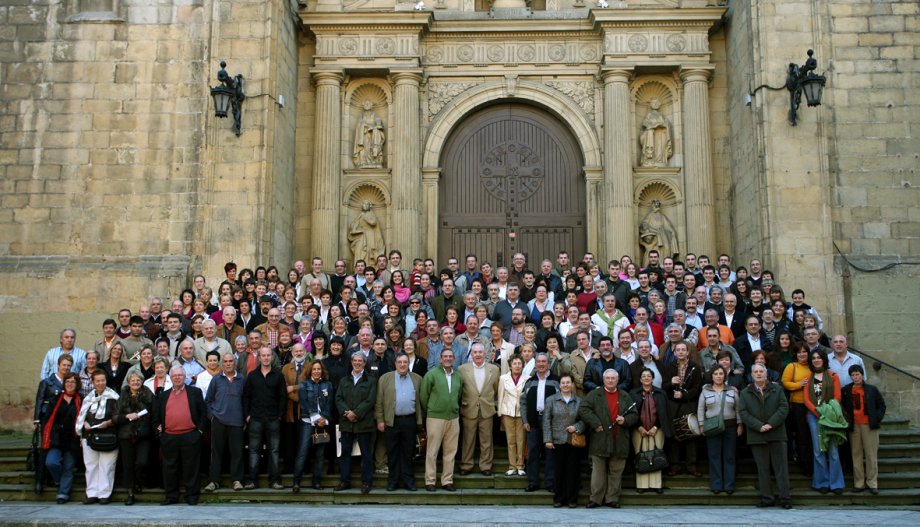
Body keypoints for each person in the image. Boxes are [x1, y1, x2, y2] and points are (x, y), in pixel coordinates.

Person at [578, 369, 638, 509]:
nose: (610, 380)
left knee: (616, 471)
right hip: (599, 438)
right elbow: (583, 409)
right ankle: (595, 499)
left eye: (613, 378)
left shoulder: (625, 395)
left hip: (620, 438)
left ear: (617, 380)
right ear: (603, 380)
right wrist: (595, 423)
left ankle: (612, 498)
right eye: (608, 378)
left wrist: (626, 420)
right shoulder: (594, 394)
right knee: (598, 472)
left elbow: (634, 414)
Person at [738, 363, 792, 509]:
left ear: (766, 373)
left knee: (781, 468)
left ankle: (785, 498)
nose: (759, 373)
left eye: (761, 371)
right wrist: (758, 426)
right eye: (755, 371)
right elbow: (743, 412)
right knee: (763, 469)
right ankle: (767, 498)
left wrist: (770, 424)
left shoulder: (777, 389)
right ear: (752, 374)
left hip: (777, 434)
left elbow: (784, 407)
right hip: (757, 435)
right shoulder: (745, 392)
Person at [154, 366, 207, 506]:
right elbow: (156, 415)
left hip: (190, 435)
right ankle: (171, 496)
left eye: (180, 375)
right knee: (169, 468)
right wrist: (160, 430)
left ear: (185, 377)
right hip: (169, 437)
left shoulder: (195, 392)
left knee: (191, 468)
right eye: (174, 375)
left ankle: (192, 496)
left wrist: (199, 431)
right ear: (170, 378)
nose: (177, 377)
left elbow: (203, 413)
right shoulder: (163, 395)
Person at [375, 353, 423, 491]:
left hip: (409, 420)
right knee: (392, 452)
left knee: (408, 453)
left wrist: (420, 421)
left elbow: (421, 401)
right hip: (391, 421)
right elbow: (379, 402)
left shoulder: (417, 379)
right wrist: (380, 420)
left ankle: (409, 481)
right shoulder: (385, 378)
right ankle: (393, 481)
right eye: (400, 362)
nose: (402, 365)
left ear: (409, 364)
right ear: (395, 364)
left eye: (405, 362)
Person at [243, 346, 287, 490]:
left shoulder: (278, 375)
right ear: (259, 357)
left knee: (274, 450)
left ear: (272, 357)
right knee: (254, 450)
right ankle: (252, 480)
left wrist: (280, 415)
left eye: (269, 355)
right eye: (264, 355)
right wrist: (247, 415)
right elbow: (246, 397)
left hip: (273, 418)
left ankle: (274, 480)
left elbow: (283, 397)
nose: (266, 357)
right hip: (255, 418)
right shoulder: (252, 375)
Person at [420, 348, 463, 492]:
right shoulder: (431, 375)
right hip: (435, 417)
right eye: (445, 356)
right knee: (432, 451)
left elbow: (459, 395)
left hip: (453, 418)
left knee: (451, 451)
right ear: (440, 359)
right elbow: (424, 397)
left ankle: (447, 480)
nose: (448, 358)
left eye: (451, 356)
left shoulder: (458, 376)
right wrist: (432, 410)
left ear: (454, 359)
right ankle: (430, 480)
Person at [803, 349, 845, 494]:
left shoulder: (833, 376)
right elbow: (807, 399)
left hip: (831, 416)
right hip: (815, 417)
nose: (816, 360)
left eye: (819, 357)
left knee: (833, 450)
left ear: (823, 360)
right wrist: (817, 412)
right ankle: (821, 482)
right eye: (813, 358)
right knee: (818, 450)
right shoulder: (809, 378)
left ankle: (836, 483)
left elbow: (837, 397)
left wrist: (826, 412)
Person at [335, 352, 378, 494]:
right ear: (352, 362)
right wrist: (347, 413)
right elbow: (338, 399)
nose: (357, 363)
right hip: (346, 423)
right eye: (355, 360)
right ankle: (345, 481)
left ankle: (366, 482)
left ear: (365, 363)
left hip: (364, 423)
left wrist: (356, 413)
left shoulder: (371, 380)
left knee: (366, 455)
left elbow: (370, 400)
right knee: (345, 454)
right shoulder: (344, 380)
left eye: (360, 361)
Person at [204, 353, 246, 492]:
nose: (228, 364)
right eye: (226, 361)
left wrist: (245, 417)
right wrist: (212, 417)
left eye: (231, 361)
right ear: (222, 363)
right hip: (219, 421)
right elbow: (208, 400)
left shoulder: (241, 379)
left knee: (237, 453)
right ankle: (214, 481)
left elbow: (246, 401)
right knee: (216, 452)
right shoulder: (216, 379)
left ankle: (237, 480)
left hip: (237, 422)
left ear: (234, 363)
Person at [841, 364, 886, 494]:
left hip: (869, 426)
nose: (856, 377)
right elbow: (842, 406)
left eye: (858, 374)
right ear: (850, 377)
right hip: (854, 426)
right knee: (856, 455)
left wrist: (876, 418)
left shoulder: (872, 389)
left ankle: (872, 483)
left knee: (871, 455)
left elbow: (881, 406)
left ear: (862, 375)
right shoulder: (846, 390)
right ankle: (859, 483)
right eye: (853, 375)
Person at [76, 369, 119, 504]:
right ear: (93, 382)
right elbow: (82, 416)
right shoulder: (88, 398)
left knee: (106, 466)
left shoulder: (114, 397)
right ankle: (91, 493)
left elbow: (118, 417)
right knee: (91, 466)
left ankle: (104, 494)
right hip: (90, 436)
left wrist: (108, 423)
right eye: (98, 381)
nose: (100, 383)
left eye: (103, 380)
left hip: (108, 435)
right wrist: (85, 423)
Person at [457, 343, 500, 476]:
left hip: (486, 409)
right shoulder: (462, 369)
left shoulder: (494, 369)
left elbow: (497, 389)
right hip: (468, 408)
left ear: (484, 353)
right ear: (471, 354)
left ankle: (486, 466)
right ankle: (466, 465)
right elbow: (459, 390)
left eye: (480, 352)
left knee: (486, 440)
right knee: (468, 440)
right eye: (475, 352)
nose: (478, 355)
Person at [543, 373, 585, 508]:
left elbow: (584, 420)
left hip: (573, 441)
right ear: (559, 385)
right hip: (557, 440)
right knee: (558, 471)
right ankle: (559, 498)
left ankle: (572, 499)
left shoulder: (579, 401)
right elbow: (546, 420)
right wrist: (548, 439)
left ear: (572, 384)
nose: (566, 385)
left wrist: (577, 427)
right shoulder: (551, 400)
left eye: (568, 382)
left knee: (573, 471)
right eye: (563, 383)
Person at [697, 365, 742, 494]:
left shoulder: (732, 391)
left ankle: (729, 485)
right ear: (711, 376)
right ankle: (716, 484)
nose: (718, 376)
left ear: (724, 376)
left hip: (730, 426)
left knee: (729, 456)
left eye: (721, 374)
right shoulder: (705, 391)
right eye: (715, 374)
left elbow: (738, 409)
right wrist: (701, 425)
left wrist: (740, 425)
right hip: (712, 427)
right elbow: (701, 409)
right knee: (714, 455)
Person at [292, 360, 334, 493]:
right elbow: (304, 403)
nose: (316, 371)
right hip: (307, 422)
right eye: (314, 369)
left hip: (323, 423)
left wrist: (323, 419)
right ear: (310, 371)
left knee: (320, 454)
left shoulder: (328, 385)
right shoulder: (304, 384)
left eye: (319, 369)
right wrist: (315, 418)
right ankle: (296, 482)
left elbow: (329, 404)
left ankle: (316, 481)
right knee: (302, 452)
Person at [662, 341, 703, 477]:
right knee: (674, 436)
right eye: (678, 350)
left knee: (690, 435)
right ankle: (675, 466)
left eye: (683, 350)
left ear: (687, 352)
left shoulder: (695, 367)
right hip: (672, 405)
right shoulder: (668, 367)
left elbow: (697, 387)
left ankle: (691, 466)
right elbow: (663, 386)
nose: (680, 352)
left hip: (688, 404)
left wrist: (684, 394)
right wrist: (670, 383)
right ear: (674, 353)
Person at [41, 372, 81, 504]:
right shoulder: (55, 399)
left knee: (68, 467)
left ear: (77, 384)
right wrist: (46, 435)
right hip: (56, 438)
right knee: (51, 462)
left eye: (73, 382)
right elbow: (47, 420)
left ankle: (63, 493)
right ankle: (59, 481)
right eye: (68, 381)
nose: (70, 384)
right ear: (64, 384)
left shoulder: (81, 399)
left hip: (73, 439)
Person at [521, 353, 559, 492]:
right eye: (539, 362)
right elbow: (523, 402)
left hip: (551, 422)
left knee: (550, 454)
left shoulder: (556, 381)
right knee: (532, 453)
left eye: (544, 361)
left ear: (548, 363)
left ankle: (550, 483)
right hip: (532, 422)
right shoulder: (529, 382)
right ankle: (533, 482)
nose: (541, 364)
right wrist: (525, 420)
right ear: (535, 364)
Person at [115, 372, 154, 505]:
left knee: (142, 462)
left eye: (138, 380)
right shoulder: (122, 395)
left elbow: (153, 412)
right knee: (128, 464)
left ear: (142, 382)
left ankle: (137, 480)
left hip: (143, 434)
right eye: (133, 380)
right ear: (128, 382)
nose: (135, 382)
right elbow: (115, 417)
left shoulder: (148, 394)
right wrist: (127, 416)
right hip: (126, 435)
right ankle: (130, 493)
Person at [630, 367, 670, 494]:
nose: (646, 378)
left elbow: (664, 413)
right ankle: (642, 485)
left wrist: (656, 427)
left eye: (649, 376)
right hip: (638, 430)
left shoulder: (661, 393)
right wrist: (639, 426)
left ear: (653, 379)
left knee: (656, 454)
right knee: (641, 455)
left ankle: (656, 484)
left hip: (657, 430)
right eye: (644, 376)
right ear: (640, 379)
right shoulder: (633, 393)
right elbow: (631, 412)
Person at [781, 342, 813, 477]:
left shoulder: (813, 366)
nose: (802, 354)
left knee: (812, 435)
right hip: (798, 404)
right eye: (799, 352)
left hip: (812, 404)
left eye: (804, 352)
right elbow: (785, 382)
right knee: (802, 435)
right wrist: (798, 385)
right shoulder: (791, 366)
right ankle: (803, 463)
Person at [497, 354, 528, 477]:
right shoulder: (503, 378)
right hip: (507, 412)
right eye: (514, 363)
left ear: (523, 365)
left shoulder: (528, 378)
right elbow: (500, 396)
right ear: (510, 366)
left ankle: (520, 465)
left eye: (519, 363)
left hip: (522, 413)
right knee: (510, 440)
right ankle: (512, 466)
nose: (517, 366)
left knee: (521, 440)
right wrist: (500, 413)